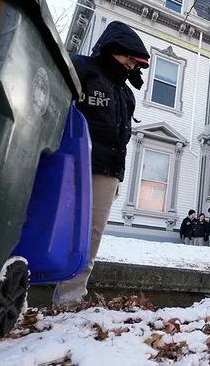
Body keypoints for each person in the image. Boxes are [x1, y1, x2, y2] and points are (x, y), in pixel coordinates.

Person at [52, 21, 150, 309]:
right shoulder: (81, 68)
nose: (133, 67)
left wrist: (118, 176)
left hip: (108, 172)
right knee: (49, 226)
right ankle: (15, 290)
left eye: (137, 63)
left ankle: (69, 298)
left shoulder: (126, 94)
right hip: (70, 164)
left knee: (90, 238)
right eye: (130, 59)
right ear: (114, 50)